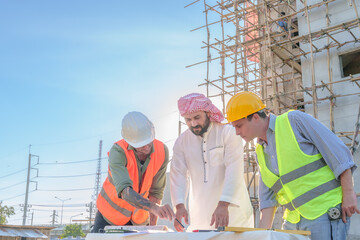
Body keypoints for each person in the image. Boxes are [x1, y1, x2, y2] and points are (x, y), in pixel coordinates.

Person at [226, 91, 359, 240]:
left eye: (239, 126)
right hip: (293, 222)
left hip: (325, 212)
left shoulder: (294, 121)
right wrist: (260, 235)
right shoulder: (260, 151)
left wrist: (349, 195)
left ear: (255, 117)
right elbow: (268, 199)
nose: (237, 132)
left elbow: (339, 154)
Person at [170, 93, 254, 232]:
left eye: (197, 117)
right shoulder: (182, 142)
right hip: (200, 219)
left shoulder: (227, 132)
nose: (194, 123)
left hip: (234, 216)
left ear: (208, 113)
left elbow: (234, 169)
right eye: (188, 120)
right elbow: (178, 174)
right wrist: (179, 206)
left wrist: (223, 204)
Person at [92, 111, 174, 233]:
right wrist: (154, 208)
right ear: (129, 141)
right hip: (109, 218)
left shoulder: (162, 151)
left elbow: (156, 192)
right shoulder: (118, 152)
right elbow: (125, 192)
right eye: (141, 145)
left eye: (148, 142)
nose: (146, 147)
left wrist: (152, 228)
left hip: (139, 220)